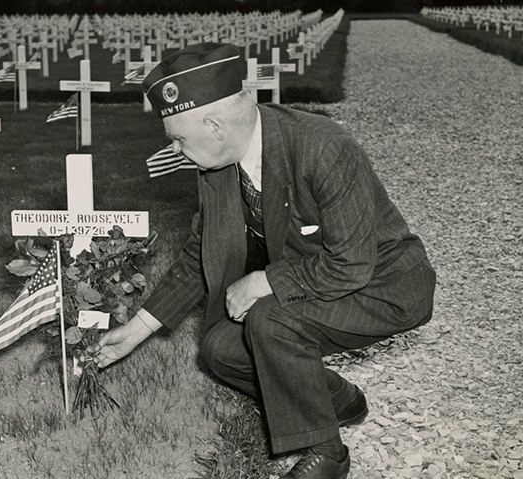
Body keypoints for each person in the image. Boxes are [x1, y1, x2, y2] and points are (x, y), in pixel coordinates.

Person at [88, 43, 436, 479]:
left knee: (269, 320)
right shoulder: (217, 167)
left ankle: (327, 457)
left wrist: (263, 282)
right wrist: (135, 331)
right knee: (220, 350)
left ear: (214, 124)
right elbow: (201, 254)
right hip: (319, 284)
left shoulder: (321, 146)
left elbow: (352, 263)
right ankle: (338, 401)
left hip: (384, 285)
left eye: (178, 138)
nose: (176, 149)